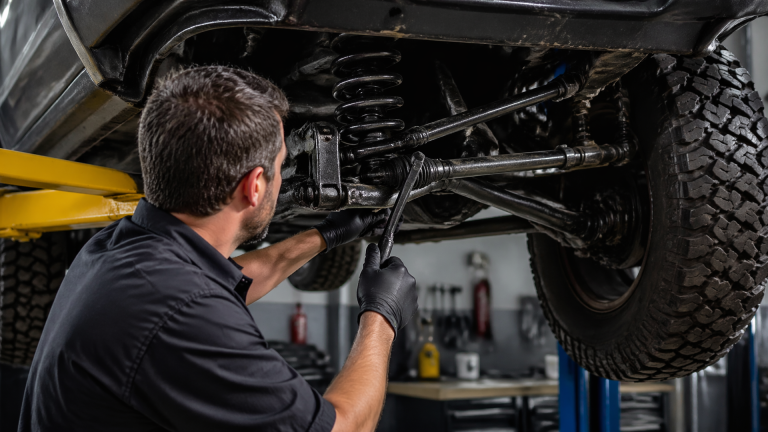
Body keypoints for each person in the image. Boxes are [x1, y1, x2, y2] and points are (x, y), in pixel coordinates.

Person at [19, 66, 418, 432]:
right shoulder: (179, 312)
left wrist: (325, 236)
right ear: (255, 185)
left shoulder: (116, 249)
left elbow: (226, 282)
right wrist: (380, 315)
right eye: (281, 165)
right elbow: (344, 429)